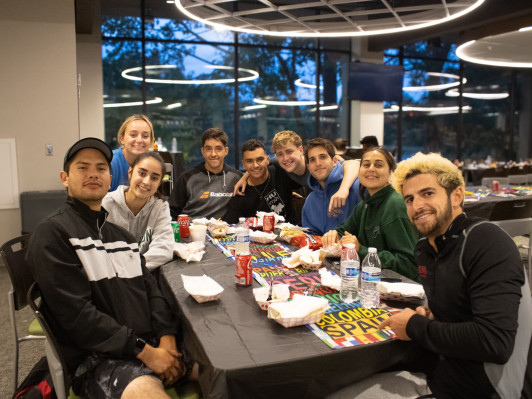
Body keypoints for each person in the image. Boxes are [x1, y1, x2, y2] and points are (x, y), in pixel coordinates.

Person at [329, 152, 532, 399]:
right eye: (410, 199)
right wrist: (432, 315)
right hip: (435, 367)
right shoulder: (426, 249)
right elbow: (461, 308)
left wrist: (416, 326)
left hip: (479, 389)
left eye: (428, 193)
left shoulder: (487, 241)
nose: (417, 206)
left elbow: (494, 342)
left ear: (457, 196)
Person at [26, 138, 192, 399]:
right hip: (96, 358)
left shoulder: (121, 237)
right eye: (82, 167)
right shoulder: (53, 233)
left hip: (145, 342)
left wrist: (167, 338)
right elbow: (78, 317)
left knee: (220, 363)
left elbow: (152, 292)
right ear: (64, 178)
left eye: (101, 168)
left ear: (109, 176)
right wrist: (147, 353)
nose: (93, 173)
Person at [322, 147, 418, 280]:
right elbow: (344, 231)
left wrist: (360, 250)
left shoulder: (395, 205)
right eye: (366, 165)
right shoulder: (366, 203)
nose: (371, 168)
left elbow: (409, 264)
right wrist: (334, 235)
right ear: (359, 171)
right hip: (372, 280)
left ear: (391, 173)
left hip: (400, 289)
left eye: (378, 165)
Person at [234, 130, 360, 217]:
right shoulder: (279, 163)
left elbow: (354, 164)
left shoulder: (314, 161)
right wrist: (245, 176)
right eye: (280, 154)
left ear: (301, 150)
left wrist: (344, 189)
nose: (285, 158)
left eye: (289, 151)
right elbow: (259, 165)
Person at [103, 151, 174, 271]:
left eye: (154, 178)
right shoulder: (105, 204)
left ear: (159, 183)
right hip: (111, 278)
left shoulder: (160, 207)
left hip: (142, 276)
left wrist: (132, 269)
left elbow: (164, 249)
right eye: (142, 173)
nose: (146, 182)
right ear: (130, 172)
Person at [169, 127, 242, 220]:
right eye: (208, 149)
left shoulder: (237, 178)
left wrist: (246, 176)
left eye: (218, 149)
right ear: (203, 151)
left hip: (222, 232)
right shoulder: (187, 178)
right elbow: (171, 212)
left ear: (226, 151)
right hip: (191, 231)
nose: (213, 154)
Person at [225, 139, 300, 224]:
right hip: (255, 237)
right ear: (244, 164)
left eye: (260, 159)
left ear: (268, 160)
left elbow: (303, 167)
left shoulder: (281, 173)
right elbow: (231, 226)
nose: (255, 165)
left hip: (291, 233)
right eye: (249, 161)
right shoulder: (240, 192)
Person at [302, 138, 361, 236]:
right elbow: (310, 237)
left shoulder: (356, 188)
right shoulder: (310, 201)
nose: (318, 163)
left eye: (323, 157)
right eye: (312, 159)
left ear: (334, 161)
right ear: (309, 167)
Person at [110, 114, 155, 192]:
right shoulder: (111, 162)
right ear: (122, 138)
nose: (139, 140)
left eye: (145, 136)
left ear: (151, 141)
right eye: (133, 135)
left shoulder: (152, 164)